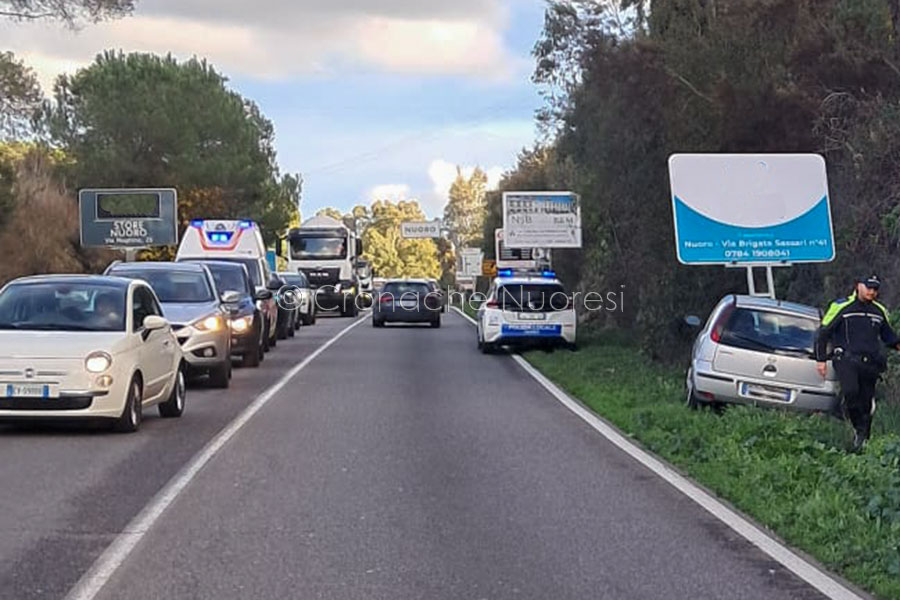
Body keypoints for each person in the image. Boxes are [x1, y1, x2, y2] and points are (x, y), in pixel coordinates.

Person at [815, 274, 900, 452]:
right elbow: (824, 332)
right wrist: (821, 359)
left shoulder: (879, 311)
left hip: (869, 362)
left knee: (866, 403)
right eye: (868, 287)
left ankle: (863, 441)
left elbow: (889, 337)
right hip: (846, 359)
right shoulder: (841, 306)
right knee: (851, 391)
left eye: (875, 289)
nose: (872, 292)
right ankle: (858, 427)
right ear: (858, 286)